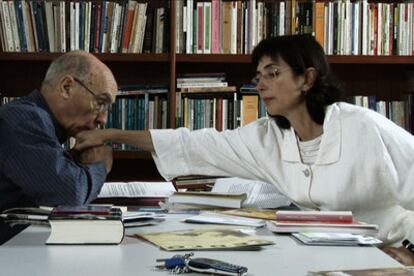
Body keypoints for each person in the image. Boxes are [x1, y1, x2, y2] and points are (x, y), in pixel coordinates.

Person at [74, 35, 414, 258]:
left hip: (391, 254)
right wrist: (111, 135)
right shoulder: (269, 136)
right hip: (331, 257)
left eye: (272, 73)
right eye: (258, 75)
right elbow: (198, 145)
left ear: (307, 78)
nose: (260, 84)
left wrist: (411, 253)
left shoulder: (362, 127)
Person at [0, 51, 117, 211]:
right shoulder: (25, 120)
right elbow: (71, 194)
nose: (103, 119)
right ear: (66, 87)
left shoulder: (38, 122)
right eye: (100, 103)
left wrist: (72, 162)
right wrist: (100, 165)